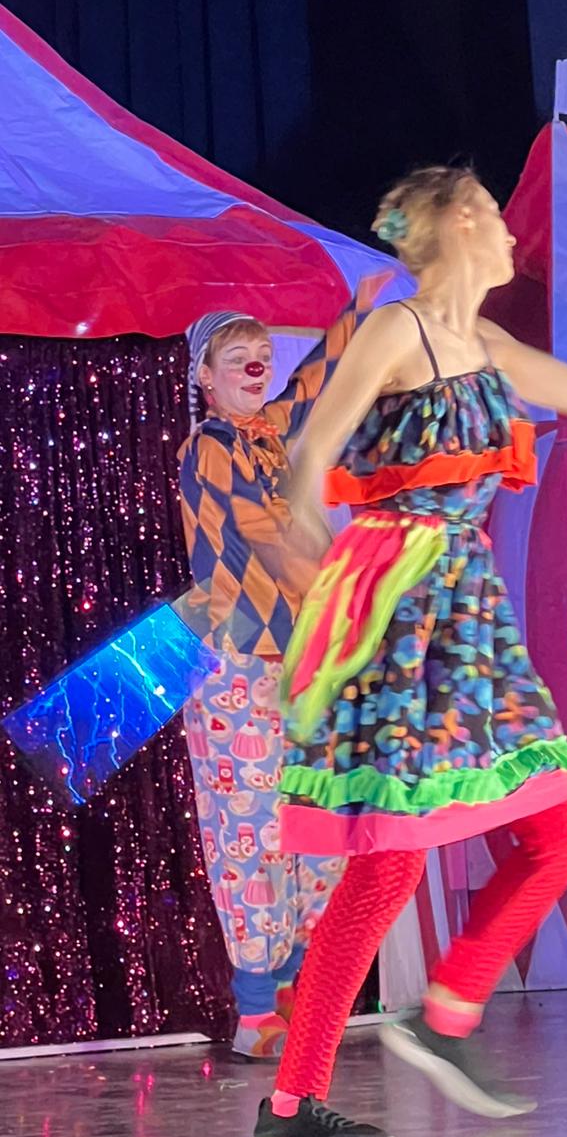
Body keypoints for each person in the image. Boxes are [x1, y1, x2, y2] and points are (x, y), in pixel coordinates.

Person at [247, 164, 567, 1137]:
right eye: (488, 213)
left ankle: (435, 1018)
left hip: (468, 621)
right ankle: (304, 1098)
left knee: (558, 831)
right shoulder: (398, 330)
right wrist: (313, 554)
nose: (509, 231)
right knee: (389, 867)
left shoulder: (492, 349)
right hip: (399, 609)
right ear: (451, 227)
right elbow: (312, 453)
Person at [178, 280, 383, 1059]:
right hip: (237, 658)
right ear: (205, 375)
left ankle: (297, 983)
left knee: (315, 824)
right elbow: (267, 536)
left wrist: (355, 315)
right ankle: (256, 1008)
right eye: (238, 355)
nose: (256, 363)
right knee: (253, 835)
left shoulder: (264, 434)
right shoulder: (209, 446)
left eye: (261, 352)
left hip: (299, 658)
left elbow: (308, 387)